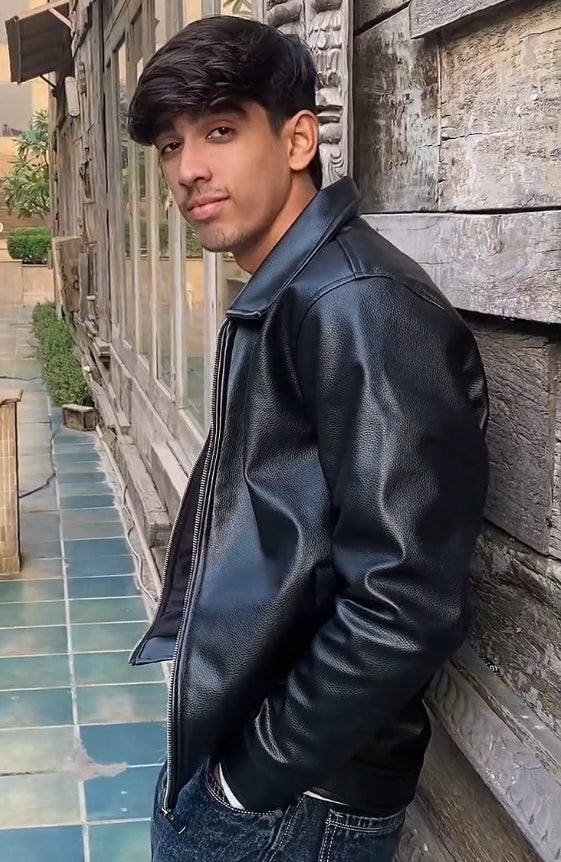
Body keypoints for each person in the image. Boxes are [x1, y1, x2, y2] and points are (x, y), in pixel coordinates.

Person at [128, 15, 489, 862]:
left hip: (295, 801)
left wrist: (249, 776)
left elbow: (407, 600)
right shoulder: (295, 290)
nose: (188, 169)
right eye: (171, 146)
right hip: (265, 767)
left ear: (296, 141)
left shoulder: (354, 304)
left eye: (220, 131)